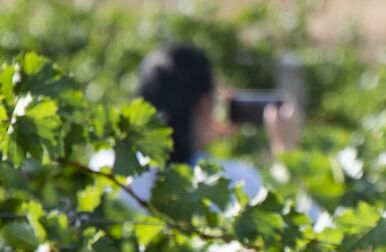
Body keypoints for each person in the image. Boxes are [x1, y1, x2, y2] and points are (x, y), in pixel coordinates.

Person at [104, 42, 302, 208]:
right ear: (205, 105)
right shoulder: (233, 183)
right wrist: (287, 152)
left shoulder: (105, 169)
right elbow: (306, 227)